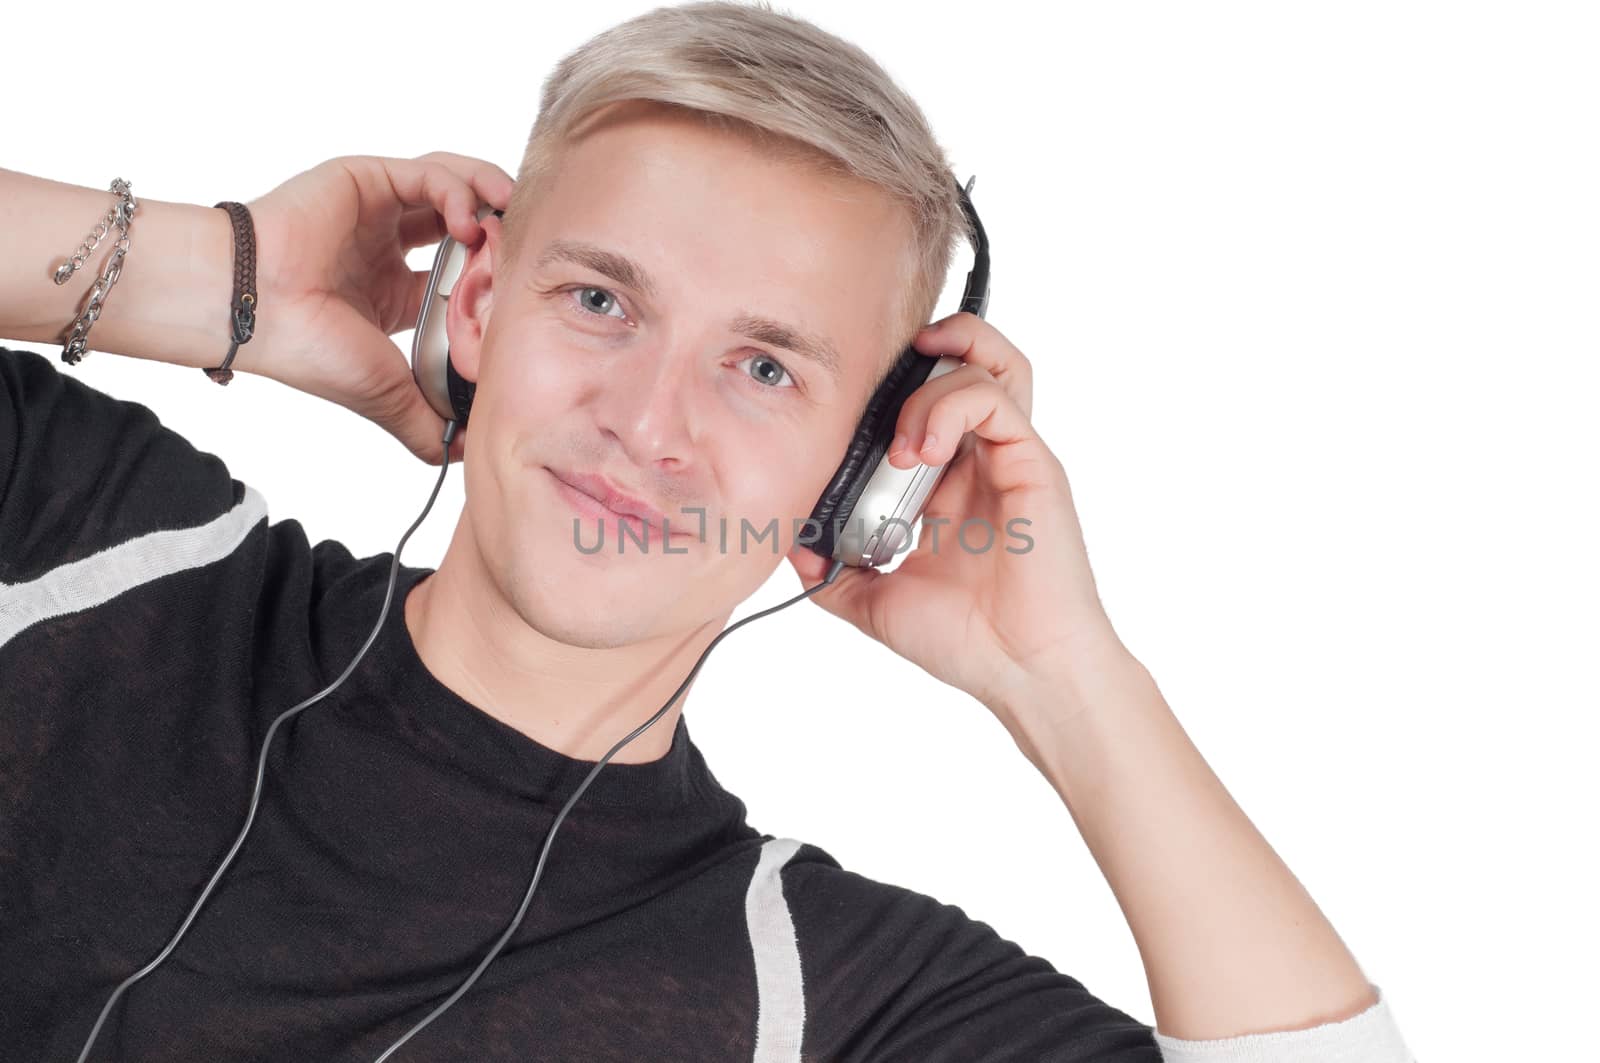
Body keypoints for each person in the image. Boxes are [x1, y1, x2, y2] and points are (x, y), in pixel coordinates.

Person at [0, 2, 1415, 1060]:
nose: (648, 421)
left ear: (869, 469)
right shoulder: (87, 548)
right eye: (602, 301)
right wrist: (219, 273)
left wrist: (1061, 675)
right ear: (478, 304)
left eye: (765, 368)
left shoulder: (820, 992)